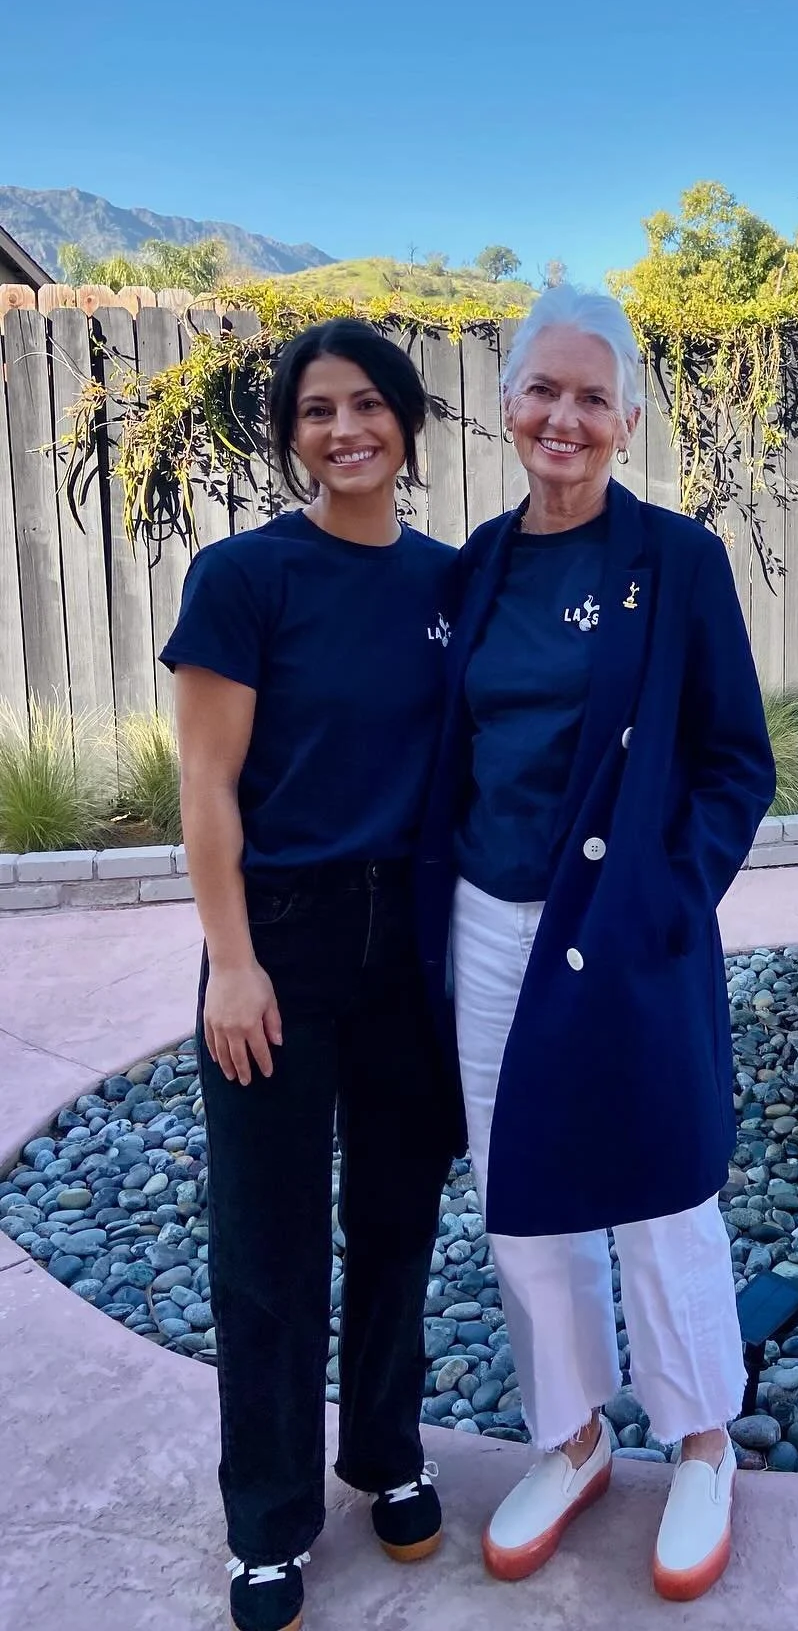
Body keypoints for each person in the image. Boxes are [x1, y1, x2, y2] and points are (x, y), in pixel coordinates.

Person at [414, 285, 774, 1602]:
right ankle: (570, 1440)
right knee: (523, 1186)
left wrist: (670, 898)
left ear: (627, 417)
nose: (564, 417)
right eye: (542, 390)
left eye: (592, 396)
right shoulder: (475, 568)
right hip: (486, 922)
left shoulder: (677, 563)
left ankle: (701, 1442)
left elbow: (736, 761)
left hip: (623, 924)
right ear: (508, 404)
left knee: (661, 1182)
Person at [162, 319, 459, 1631]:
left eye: (368, 404)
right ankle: (270, 1520)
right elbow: (206, 786)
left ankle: (386, 1452)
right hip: (278, 938)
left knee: (398, 1218)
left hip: (413, 944)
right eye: (318, 411)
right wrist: (231, 962)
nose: (347, 430)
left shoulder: (452, 583)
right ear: (290, 437)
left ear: (407, 420)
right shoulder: (244, 579)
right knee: (268, 1239)